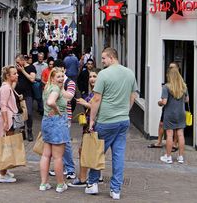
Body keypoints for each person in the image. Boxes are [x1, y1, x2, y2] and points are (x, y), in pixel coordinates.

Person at [85, 48, 137, 200]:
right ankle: (115, 190)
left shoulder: (104, 74)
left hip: (106, 120)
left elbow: (96, 99)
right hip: (123, 120)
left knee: (97, 151)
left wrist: (92, 119)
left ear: (112, 57)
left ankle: (93, 183)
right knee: (118, 155)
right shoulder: (129, 73)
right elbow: (133, 95)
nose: (102, 61)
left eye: (103, 58)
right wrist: (126, 110)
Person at [39, 67, 70, 193]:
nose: (61, 79)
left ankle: (43, 183)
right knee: (58, 157)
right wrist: (58, 111)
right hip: (57, 122)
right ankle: (60, 184)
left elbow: (67, 96)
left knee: (46, 155)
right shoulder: (56, 89)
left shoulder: (48, 88)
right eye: (58, 77)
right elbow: (51, 101)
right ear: (52, 78)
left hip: (46, 121)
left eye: (63, 76)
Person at [69, 68, 101, 187]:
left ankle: (82, 179)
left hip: (93, 125)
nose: (92, 79)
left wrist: (84, 103)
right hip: (89, 124)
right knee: (92, 150)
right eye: (90, 77)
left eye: (94, 76)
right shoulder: (94, 91)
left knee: (83, 150)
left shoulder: (98, 93)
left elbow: (97, 108)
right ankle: (97, 175)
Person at [48, 60, 76, 179]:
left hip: (65, 116)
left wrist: (59, 89)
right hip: (53, 117)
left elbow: (69, 97)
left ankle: (70, 169)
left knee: (66, 143)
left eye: (61, 71)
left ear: (64, 70)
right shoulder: (52, 83)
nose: (59, 75)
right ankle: (61, 167)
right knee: (57, 142)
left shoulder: (70, 83)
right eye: (56, 72)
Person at [158, 68, 189, 164]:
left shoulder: (166, 87)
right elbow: (187, 100)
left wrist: (159, 102)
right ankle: (180, 157)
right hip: (181, 114)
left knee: (169, 135)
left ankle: (168, 157)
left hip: (170, 114)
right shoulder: (184, 86)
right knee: (180, 135)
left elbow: (164, 102)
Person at [0, 65, 19, 183]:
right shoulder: (5, 89)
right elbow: (3, 106)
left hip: (9, 118)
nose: (17, 75)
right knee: (6, 147)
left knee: (8, 145)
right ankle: (2, 174)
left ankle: (5, 170)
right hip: (7, 118)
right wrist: (5, 122)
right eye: (14, 74)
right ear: (8, 76)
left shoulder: (8, 86)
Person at [148, 62, 180, 149]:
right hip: (168, 109)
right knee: (162, 124)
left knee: (176, 128)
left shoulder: (180, 84)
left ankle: (174, 144)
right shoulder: (168, 84)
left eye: (172, 68)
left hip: (174, 109)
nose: (170, 69)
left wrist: (160, 102)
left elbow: (164, 101)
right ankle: (159, 142)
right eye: (169, 67)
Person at [15, 54, 36, 141]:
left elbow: (32, 79)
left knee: (29, 113)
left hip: (28, 94)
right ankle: (22, 131)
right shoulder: (16, 69)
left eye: (18, 62)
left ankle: (29, 130)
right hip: (18, 94)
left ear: (23, 61)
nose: (16, 64)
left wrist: (23, 71)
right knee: (19, 113)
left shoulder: (31, 68)